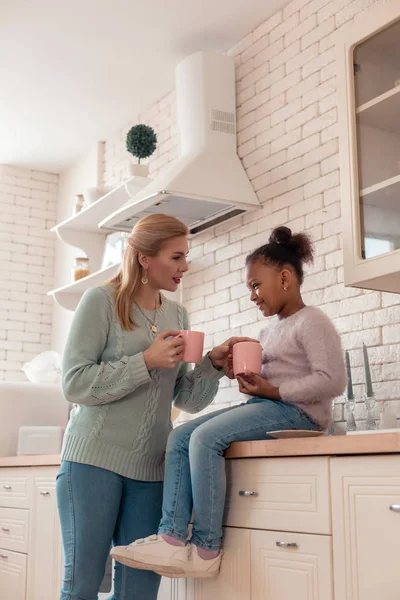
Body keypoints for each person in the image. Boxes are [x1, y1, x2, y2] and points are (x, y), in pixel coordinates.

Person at [111, 225, 347, 580]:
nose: (252, 295)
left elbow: (333, 381)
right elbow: (274, 385)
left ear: (284, 278)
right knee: (180, 436)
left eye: (255, 285)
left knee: (206, 439)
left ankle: (206, 548)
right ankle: (172, 540)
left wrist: (274, 391)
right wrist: (251, 381)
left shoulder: (312, 321)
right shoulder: (270, 331)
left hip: (300, 416)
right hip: (271, 409)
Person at [56, 213, 252, 600]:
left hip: (152, 470)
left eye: (186, 256)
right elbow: (74, 383)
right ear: (146, 258)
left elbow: (187, 399)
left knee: (139, 594)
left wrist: (211, 365)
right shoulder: (101, 301)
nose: (185, 266)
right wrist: (144, 361)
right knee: (81, 587)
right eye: (176, 256)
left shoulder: (177, 314)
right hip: (92, 463)